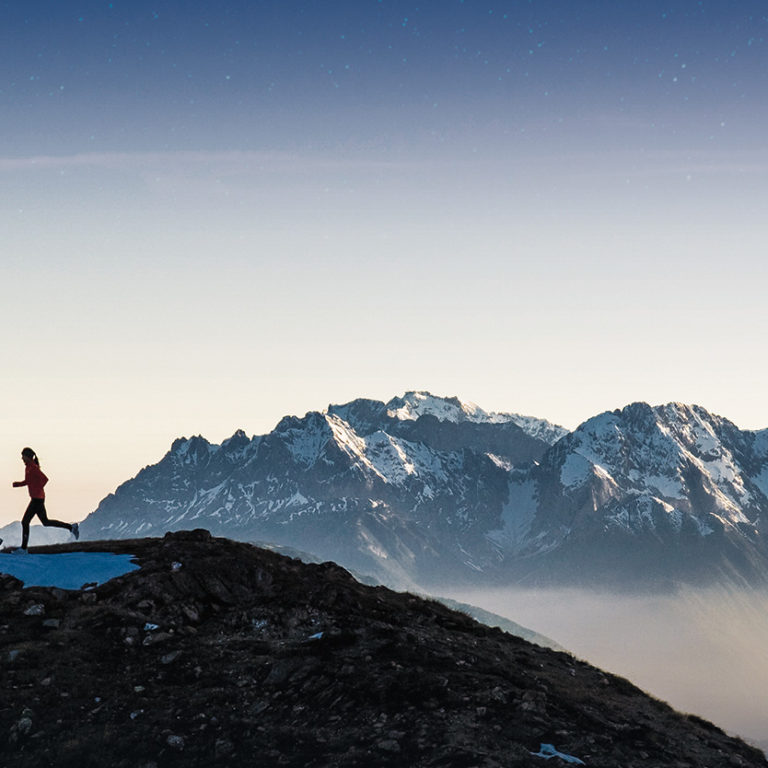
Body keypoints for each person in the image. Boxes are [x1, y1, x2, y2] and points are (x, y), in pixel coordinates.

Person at [12, 447, 79, 553]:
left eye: (23, 456)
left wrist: (38, 488)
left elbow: (44, 479)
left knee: (25, 522)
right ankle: (71, 527)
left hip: (37, 499)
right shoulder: (28, 468)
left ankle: (24, 549)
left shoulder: (33, 467)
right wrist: (18, 484)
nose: (22, 459)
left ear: (28, 457)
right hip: (37, 498)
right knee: (46, 522)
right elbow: (29, 481)